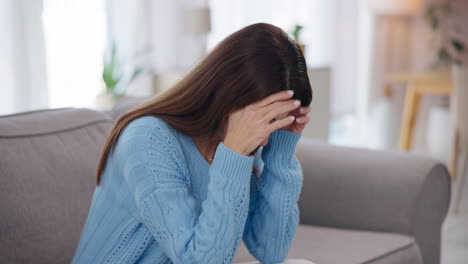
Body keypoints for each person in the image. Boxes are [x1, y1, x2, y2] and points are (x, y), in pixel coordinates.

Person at [72, 22, 313, 264]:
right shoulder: (147, 139)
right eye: (265, 121)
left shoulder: (231, 141)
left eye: (275, 123)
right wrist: (234, 153)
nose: (263, 139)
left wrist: (281, 148)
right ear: (227, 94)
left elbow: (271, 251)